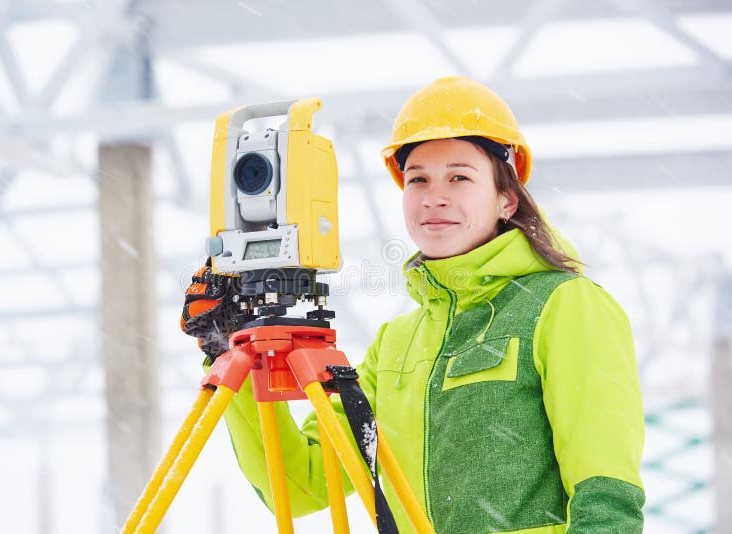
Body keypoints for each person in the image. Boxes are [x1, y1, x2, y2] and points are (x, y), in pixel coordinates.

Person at [182, 76, 646, 533]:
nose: (434, 198)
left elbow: (606, 497)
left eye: (459, 177)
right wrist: (225, 349)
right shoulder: (397, 344)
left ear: (507, 198)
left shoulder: (566, 306)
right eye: (417, 179)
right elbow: (301, 485)